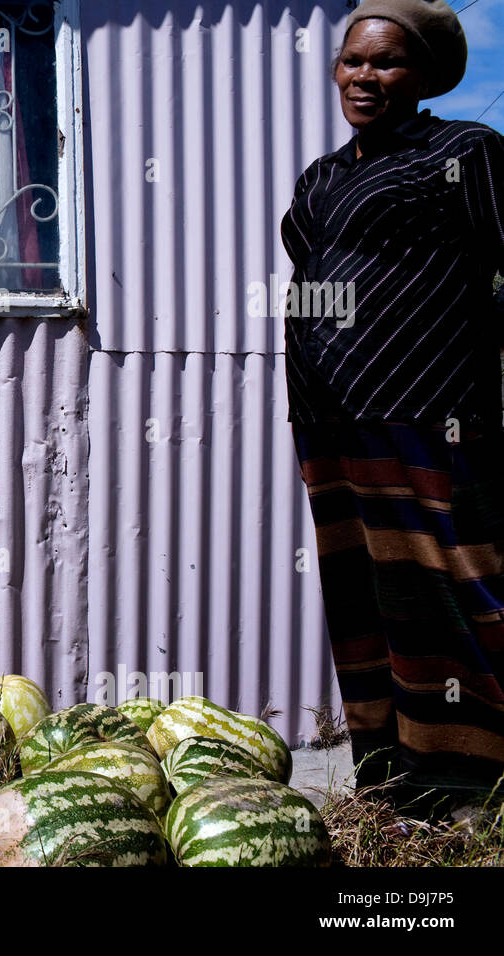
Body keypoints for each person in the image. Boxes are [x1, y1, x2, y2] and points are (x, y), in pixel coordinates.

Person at [281, 0, 504, 814]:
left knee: (451, 585)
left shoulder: (464, 151)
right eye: (352, 61)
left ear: (424, 76)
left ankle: (473, 783)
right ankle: (392, 776)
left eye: (386, 63)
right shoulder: (325, 173)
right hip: (331, 418)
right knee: (368, 593)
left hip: (430, 405)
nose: (364, 77)